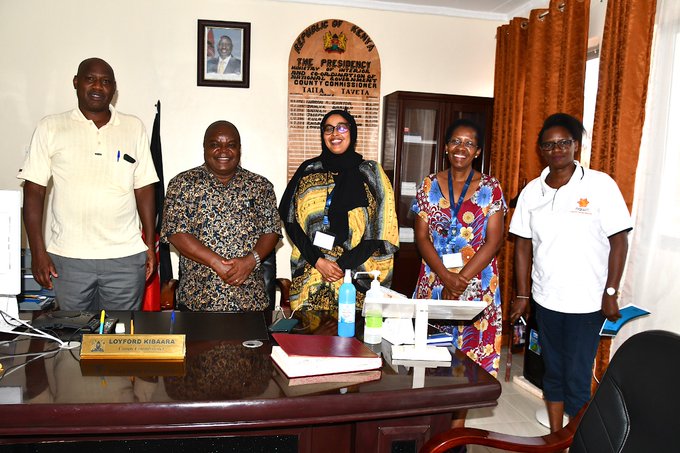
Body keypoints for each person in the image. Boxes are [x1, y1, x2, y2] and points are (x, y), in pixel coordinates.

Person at [509, 113, 632, 433]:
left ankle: (578, 441)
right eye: (549, 145)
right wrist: (522, 295)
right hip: (546, 299)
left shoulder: (600, 185)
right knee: (552, 373)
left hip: (587, 303)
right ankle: (555, 437)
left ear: (576, 145)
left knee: (577, 379)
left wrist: (610, 292)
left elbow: (619, 241)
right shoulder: (532, 192)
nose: (557, 149)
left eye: (564, 142)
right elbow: (522, 245)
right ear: (540, 149)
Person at [18, 57, 159, 312]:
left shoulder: (133, 127)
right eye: (90, 79)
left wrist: (149, 244)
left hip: (125, 258)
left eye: (105, 82)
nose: (97, 86)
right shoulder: (50, 127)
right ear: (76, 82)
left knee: (120, 339)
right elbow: (34, 190)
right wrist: (37, 251)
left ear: (114, 89)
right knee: (72, 342)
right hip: (69, 258)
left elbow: (145, 188)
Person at [412, 119, 506, 432]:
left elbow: (494, 240)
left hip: (477, 285)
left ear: (477, 151)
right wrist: (445, 277)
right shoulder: (429, 185)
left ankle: (456, 432)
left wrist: (460, 279)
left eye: (468, 143)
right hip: (435, 283)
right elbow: (421, 237)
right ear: (446, 147)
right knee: (431, 355)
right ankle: (430, 426)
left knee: (469, 360)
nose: (461, 148)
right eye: (455, 141)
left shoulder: (491, 188)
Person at [279, 109, 399, 310]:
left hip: (358, 274)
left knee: (353, 337)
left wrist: (341, 266)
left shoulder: (372, 173)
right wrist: (318, 261)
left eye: (341, 127)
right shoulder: (308, 170)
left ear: (352, 132)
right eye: (328, 129)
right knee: (312, 336)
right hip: (312, 270)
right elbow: (290, 219)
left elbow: (382, 228)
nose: (335, 134)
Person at [161, 121, 280, 311]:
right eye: (215, 144)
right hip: (198, 300)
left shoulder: (260, 186)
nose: (223, 151)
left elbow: (272, 230)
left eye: (231, 145)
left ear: (239, 149)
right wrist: (217, 263)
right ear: (205, 148)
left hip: (250, 300)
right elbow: (176, 232)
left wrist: (250, 261)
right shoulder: (182, 184)